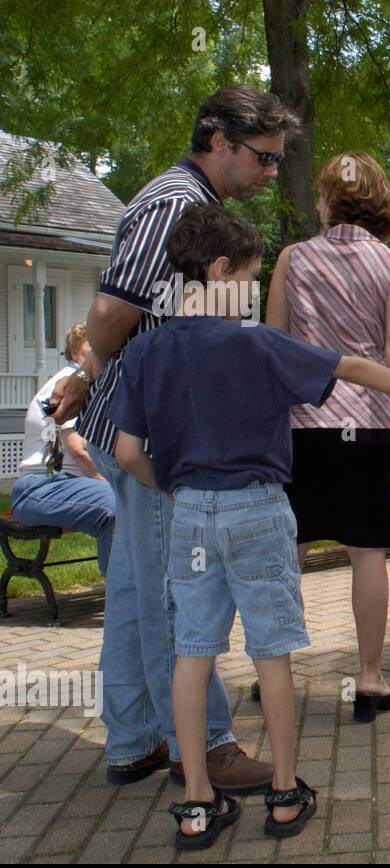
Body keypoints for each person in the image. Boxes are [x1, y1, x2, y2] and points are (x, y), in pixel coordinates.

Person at [109, 204, 390, 848]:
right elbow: (353, 367)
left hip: (191, 515)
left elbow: (126, 453)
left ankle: (199, 801)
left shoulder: (145, 350)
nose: (260, 292)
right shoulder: (258, 343)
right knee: (271, 652)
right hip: (258, 507)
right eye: (253, 278)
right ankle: (285, 793)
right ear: (220, 269)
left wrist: (177, 488)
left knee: (192, 652)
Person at [53, 84, 299, 789]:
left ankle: (133, 740)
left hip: (135, 424)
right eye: (265, 158)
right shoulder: (175, 205)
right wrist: (94, 367)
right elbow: (109, 310)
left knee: (136, 584)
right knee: (174, 590)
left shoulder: (187, 203)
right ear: (220, 141)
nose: (272, 172)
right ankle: (208, 745)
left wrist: (91, 377)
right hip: (152, 435)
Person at [265, 151, 390, 716]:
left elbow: (273, 343)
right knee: (367, 553)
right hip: (373, 421)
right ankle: (370, 678)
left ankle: (273, 675)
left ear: (328, 200)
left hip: (303, 422)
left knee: (291, 546)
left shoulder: (293, 258)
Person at [10, 323, 115, 576]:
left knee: (138, 503)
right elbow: (77, 450)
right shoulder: (71, 384)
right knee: (118, 508)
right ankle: (123, 599)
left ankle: (139, 594)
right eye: (92, 351)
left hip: (59, 485)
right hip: (41, 486)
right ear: (76, 354)